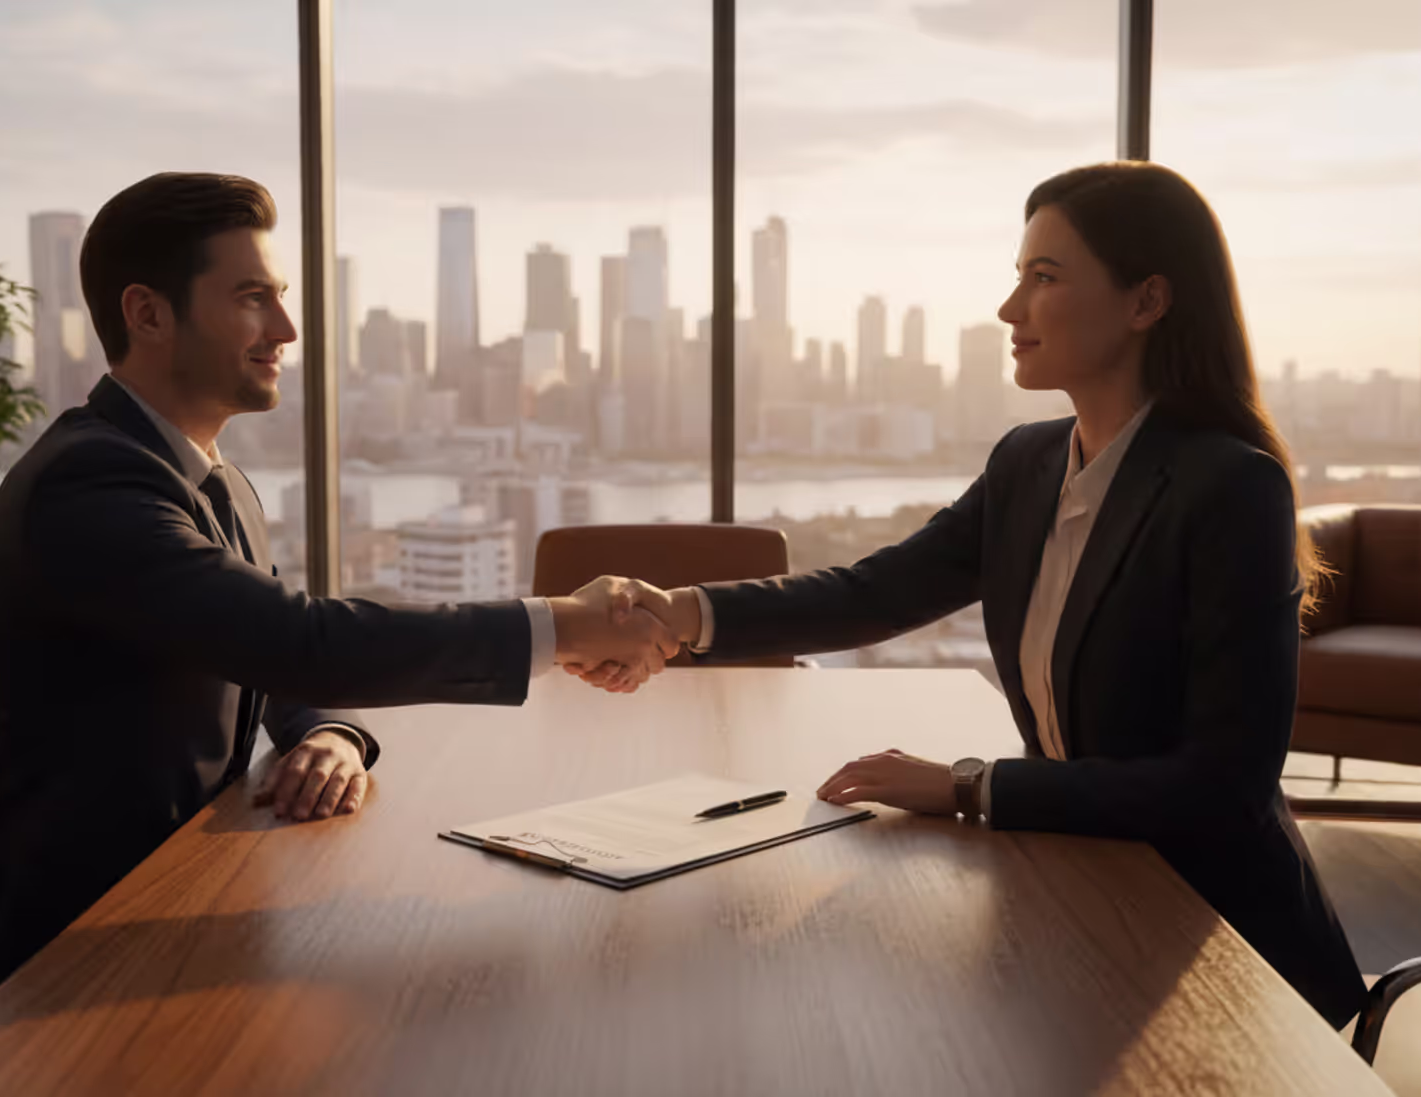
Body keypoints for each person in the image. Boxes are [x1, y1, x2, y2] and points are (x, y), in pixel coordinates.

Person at [570, 162, 1366, 1027]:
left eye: (1044, 278)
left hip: (1224, 948)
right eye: (1018, 275)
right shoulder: (1026, 462)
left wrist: (968, 785)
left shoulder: (1230, 488)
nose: (1009, 309)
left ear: (1147, 301)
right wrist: (680, 613)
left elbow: (1221, 790)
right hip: (1084, 887)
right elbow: (876, 591)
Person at [0, 173, 675, 1028]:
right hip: (51, 968)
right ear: (148, 313)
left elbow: (254, 647)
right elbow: (290, 637)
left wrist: (327, 729)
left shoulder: (210, 480)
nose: (286, 328)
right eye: (252, 299)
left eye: (279, 298)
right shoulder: (90, 485)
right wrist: (562, 626)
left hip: (175, 909)